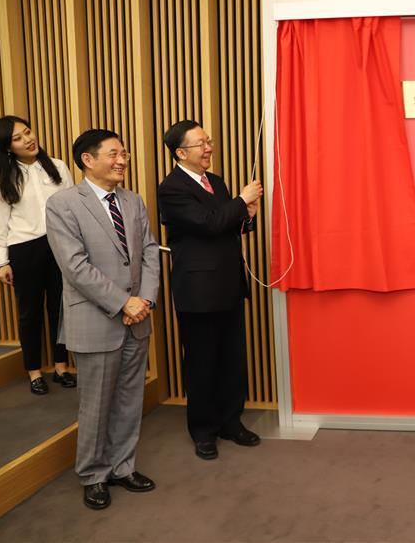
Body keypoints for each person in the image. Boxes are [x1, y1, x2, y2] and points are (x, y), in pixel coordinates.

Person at [45, 129, 160, 510]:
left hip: (137, 315)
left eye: (124, 153)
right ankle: (93, 474)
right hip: (96, 318)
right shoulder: (63, 204)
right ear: (88, 160)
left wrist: (144, 299)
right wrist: (122, 302)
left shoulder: (133, 200)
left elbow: (148, 252)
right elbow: (74, 266)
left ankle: (122, 467)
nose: (122, 160)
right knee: (95, 404)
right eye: (114, 153)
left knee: (129, 399)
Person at [157, 120, 263, 460]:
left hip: (229, 284)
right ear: (180, 152)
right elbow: (208, 223)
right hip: (198, 290)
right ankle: (203, 431)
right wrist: (241, 200)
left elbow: (227, 224)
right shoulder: (171, 188)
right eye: (201, 143)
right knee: (202, 363)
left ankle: (232, 422)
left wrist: (248, 215)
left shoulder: (215, 181)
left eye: (209, 141)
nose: (208, 148)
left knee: (233, 359)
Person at [0, 116, 76, 394]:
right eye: (18, 138)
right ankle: (34, 371)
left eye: (28, 132)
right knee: (29, 312)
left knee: (61, 308)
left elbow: (73, 209)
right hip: (25, 249)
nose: (28, 139)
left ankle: (62, 366)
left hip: (60, 244)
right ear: (7, 147)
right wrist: (2, 262)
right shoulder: (3, 178)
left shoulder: (58, 167)